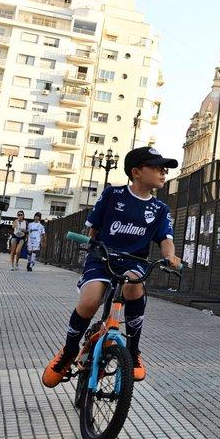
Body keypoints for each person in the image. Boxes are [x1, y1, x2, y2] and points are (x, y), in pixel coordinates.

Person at [42, 146, 181, 388]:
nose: (163, 172)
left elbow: (166, 239)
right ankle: (68, 352)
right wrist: (91, 246)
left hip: (133, 262)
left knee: (133, 287)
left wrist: (171, 256)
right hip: (102, 257)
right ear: (136, 172)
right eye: (157, 167)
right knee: (90, 300)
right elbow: (93, 229)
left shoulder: (160, 209)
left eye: (164, 169)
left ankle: (134, 351)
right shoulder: (112, 195)